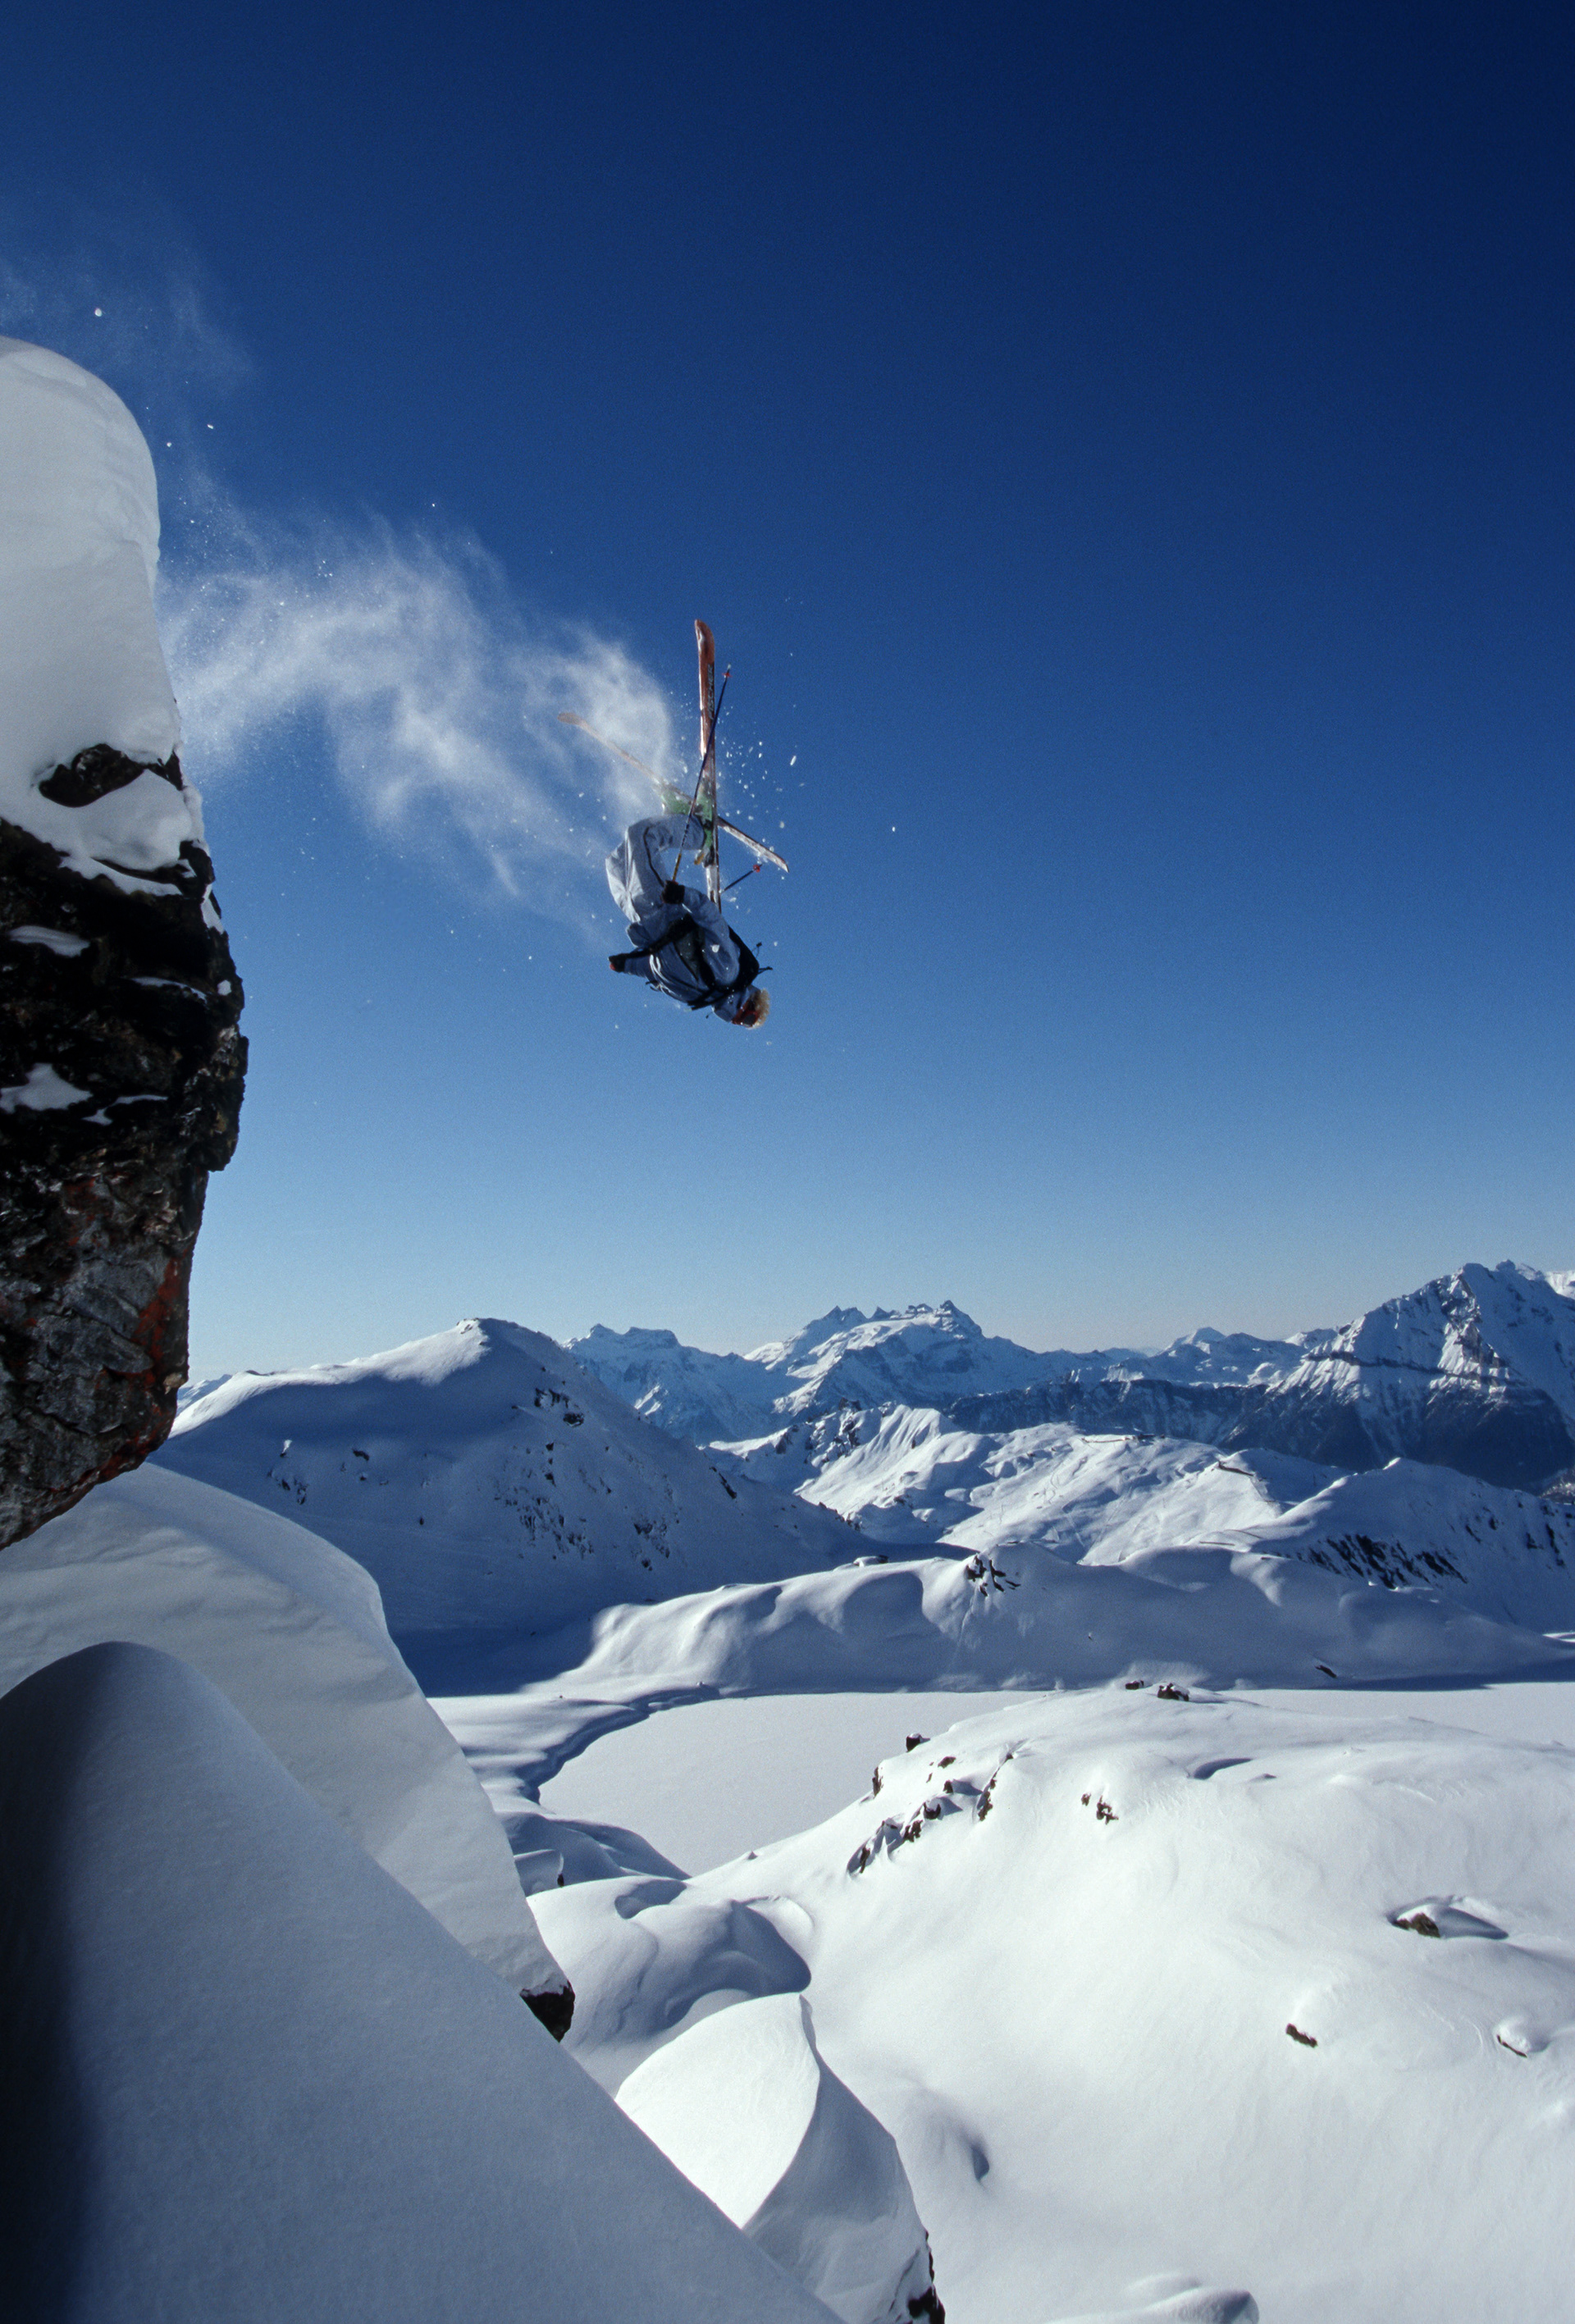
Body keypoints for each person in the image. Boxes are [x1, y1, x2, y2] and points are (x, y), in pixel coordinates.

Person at [605, 813, 771, 1026]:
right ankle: (700, 832)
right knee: (641, 835)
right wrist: (683, 896)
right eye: (749, 1017)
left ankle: (676, 821)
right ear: (749, 1001)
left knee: (616, 861)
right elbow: (713, 921)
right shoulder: (728, 971)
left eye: (745, 1024)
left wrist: (625, 965)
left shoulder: (695, 997)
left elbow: (655, 968)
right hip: (660, 906)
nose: (740, 1021)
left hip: (639, 918)